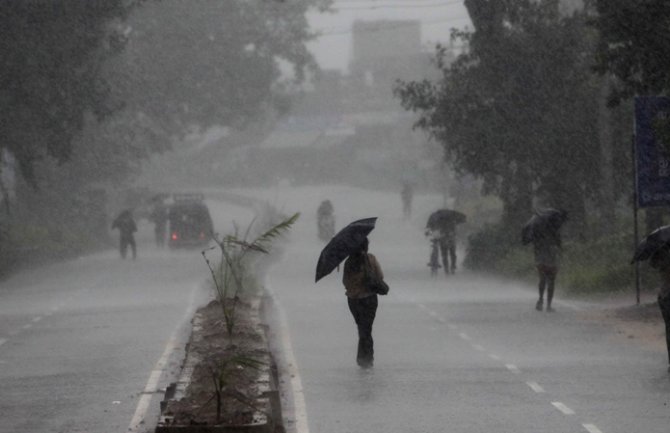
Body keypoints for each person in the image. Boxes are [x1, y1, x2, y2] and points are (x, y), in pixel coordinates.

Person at [342, 238, 384, 368]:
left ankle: (364, 358)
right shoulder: (371, 259)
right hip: (369, 298)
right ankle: (367, 358)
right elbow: (380, 276)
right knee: (367, 328)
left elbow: (345, 282)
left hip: (353, 300)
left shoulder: (349, 262)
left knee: (362, 327)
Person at [532, 222, 563, 312]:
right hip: (552, 260)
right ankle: (549, 305)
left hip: (541, 260)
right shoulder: (556, 233)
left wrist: (537, 260)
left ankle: (541, 300)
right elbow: (559, 247)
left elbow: (536, 248)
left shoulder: (538, 234)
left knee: (542, 280)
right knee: (551, 282)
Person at [650, 244, 670, 372]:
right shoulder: (662, 252)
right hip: (666, 296)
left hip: (665, 295)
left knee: (669, 328)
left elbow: (653, 264)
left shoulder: (661, 251)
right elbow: (654, 264)